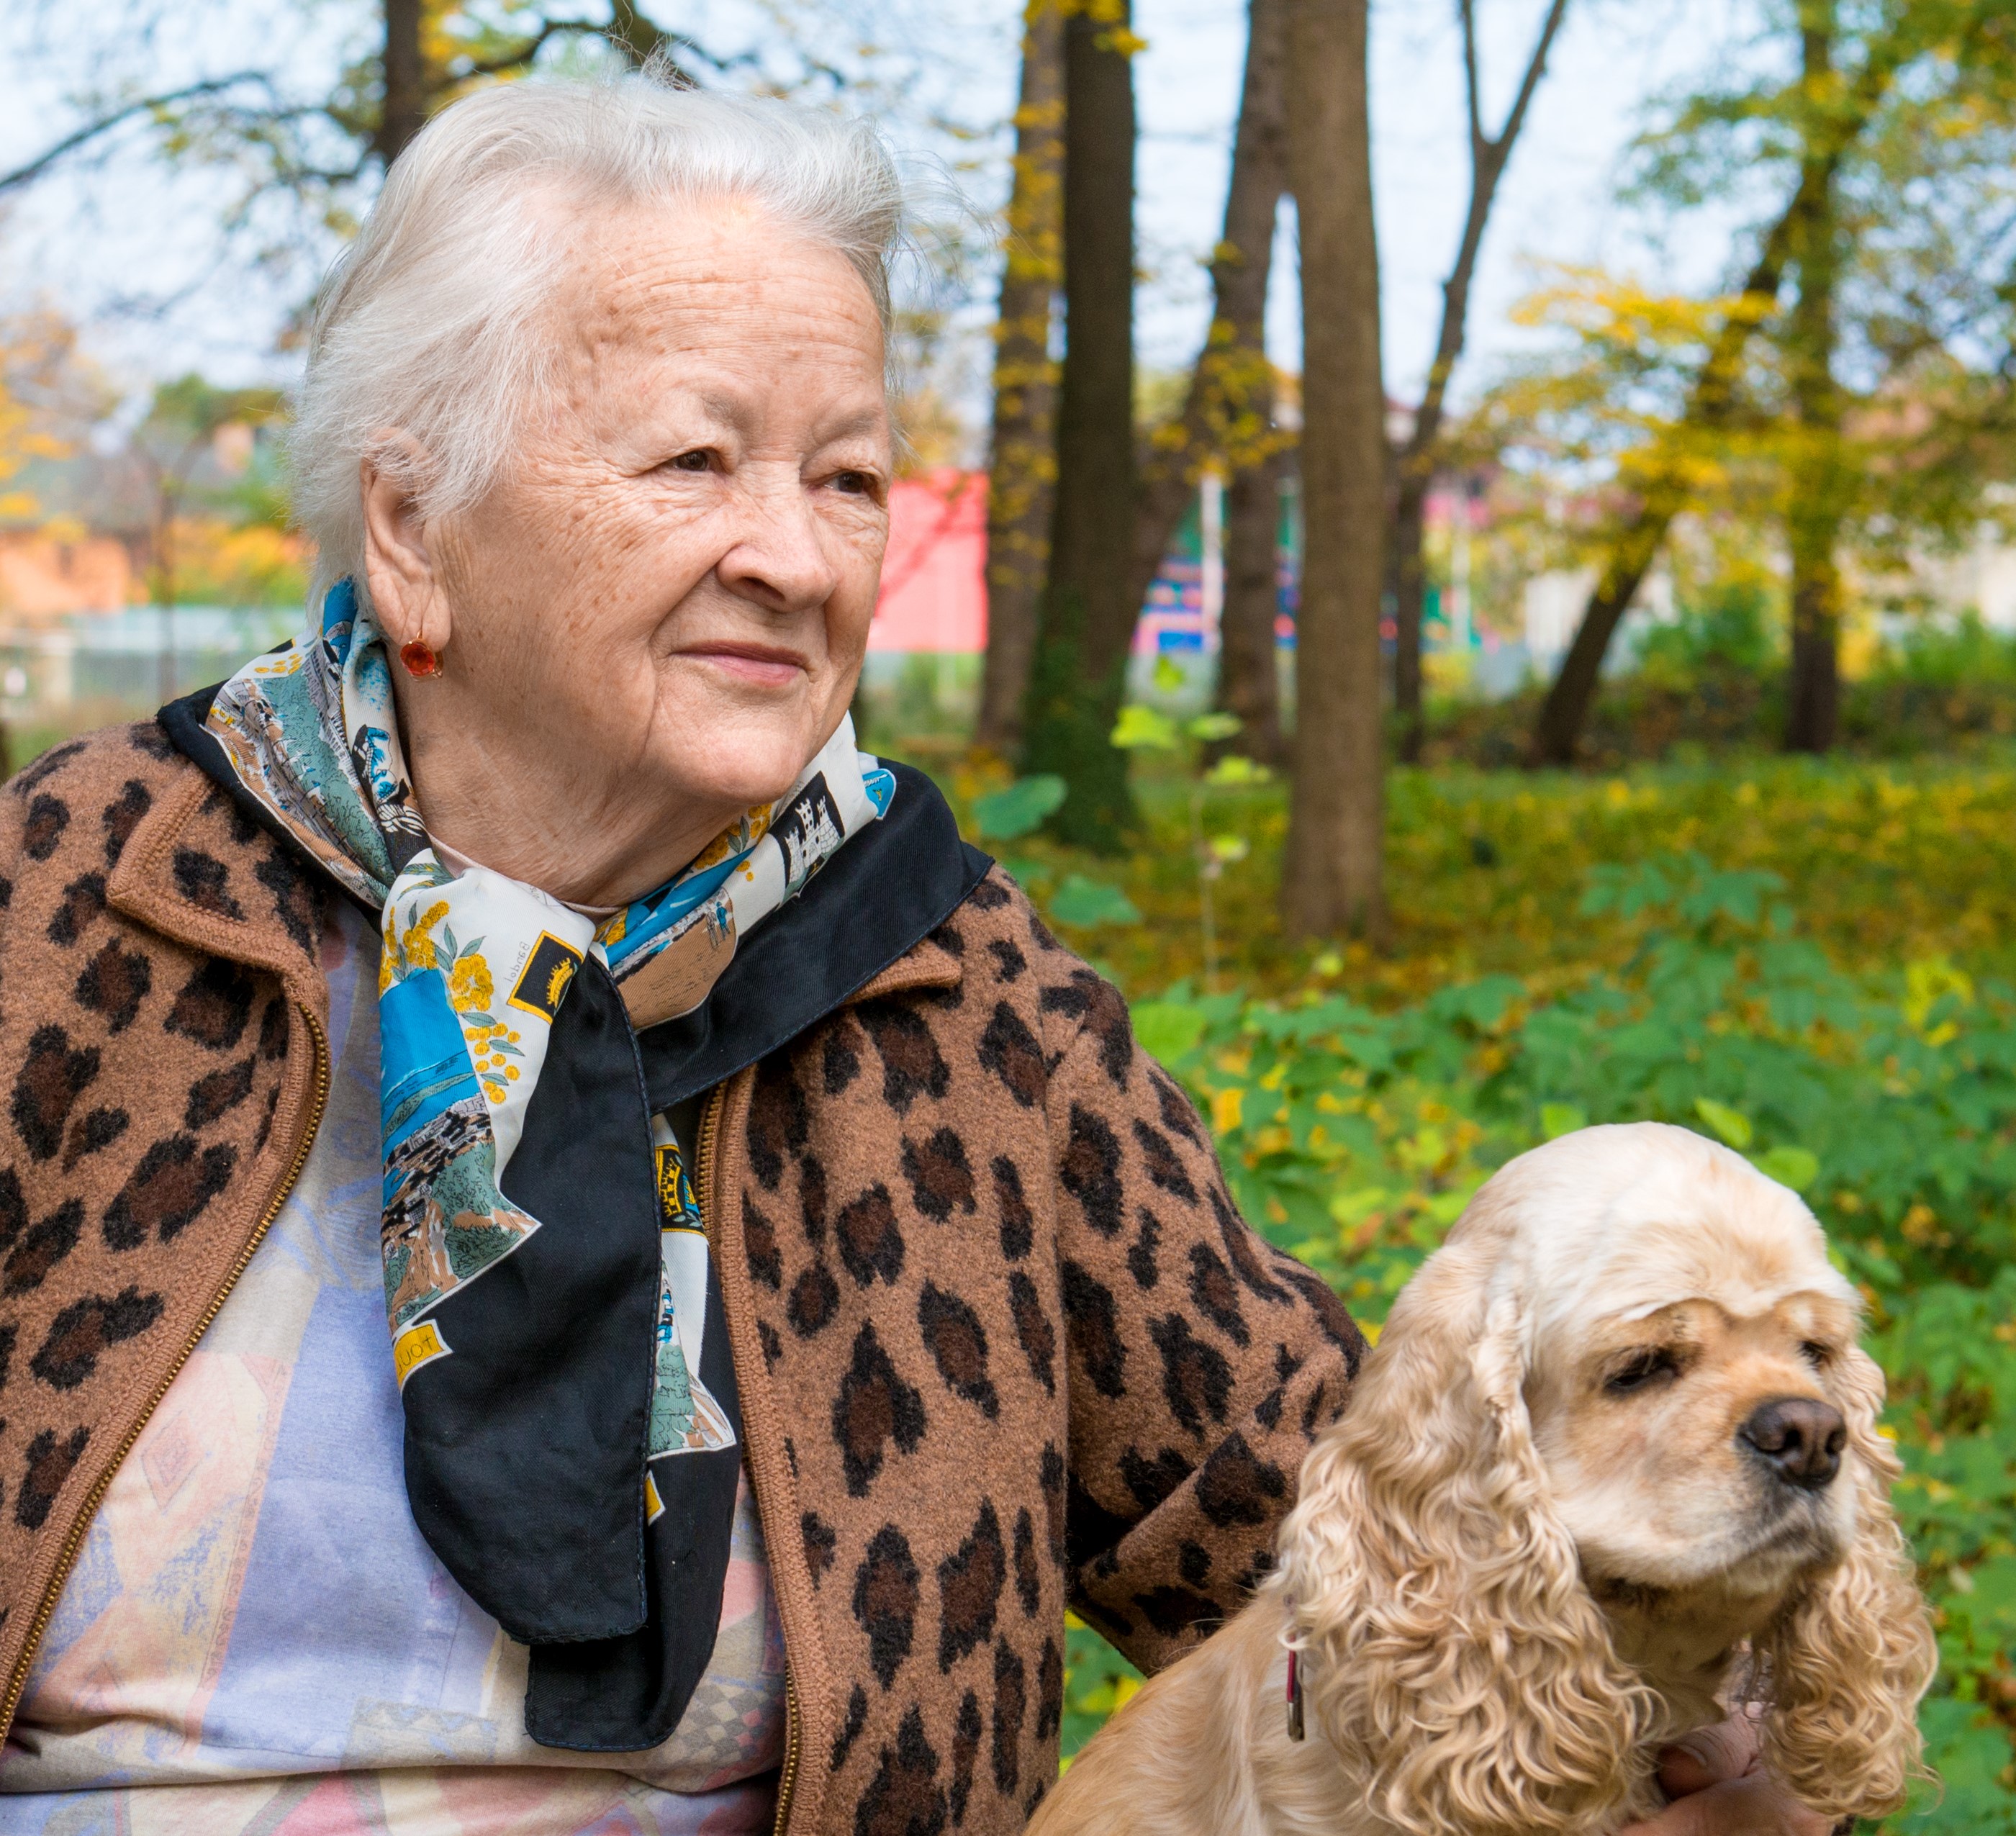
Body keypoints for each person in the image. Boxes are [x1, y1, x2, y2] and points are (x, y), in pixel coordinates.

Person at [0, 66, 1833, 1836]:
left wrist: (1689, 1745)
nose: (794, 558)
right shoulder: (77, 909)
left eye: (852, 479)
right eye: (696, 460)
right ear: (413, 531)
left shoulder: (946, 983)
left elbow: (1313, 1519)